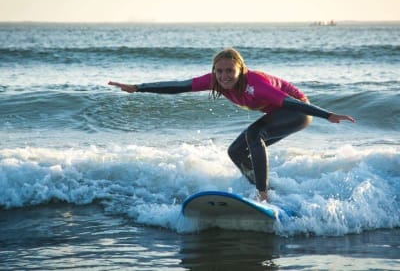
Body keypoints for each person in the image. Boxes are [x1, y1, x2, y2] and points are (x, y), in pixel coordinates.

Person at [109, 48, 355, 202]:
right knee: (235, 151)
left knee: (254, 134)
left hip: (297, 111)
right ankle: (268, 189)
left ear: (241, 70)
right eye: (219, 71)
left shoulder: (255, 84)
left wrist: (327, 114)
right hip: (279, 112)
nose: (224, 76)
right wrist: (139, 88)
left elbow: (291, 102)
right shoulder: (214, 81)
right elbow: (179, 85)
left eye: (229, 71)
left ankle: (263, 195)